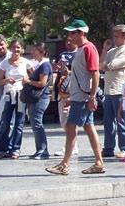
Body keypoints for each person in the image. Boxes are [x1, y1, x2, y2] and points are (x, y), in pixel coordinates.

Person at [46, 19, 104, 176]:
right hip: (80, 95)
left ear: (82, 33)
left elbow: (95, 72)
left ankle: (65, 164)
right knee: (88, 127)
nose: (70, 36)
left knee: (71, 127)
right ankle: (99, 162)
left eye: (73, 32)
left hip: (83, 97)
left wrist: (92, 95)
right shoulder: (80, 49)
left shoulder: (88, 48)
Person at [101, 25, 125, 160]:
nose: (114, 39)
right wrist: (104, 49)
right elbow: (101, 64)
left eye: (117, 36)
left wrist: (107, 65)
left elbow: (112, 65)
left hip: (120, 89)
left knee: (121, 119)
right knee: (108, 121)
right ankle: (108, 147)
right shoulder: (111, 51)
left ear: (124, 36)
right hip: (108, 90)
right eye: (114, 36)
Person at [0, 40, 28, 159]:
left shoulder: (26, 62)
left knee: (19, 123)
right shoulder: (4, 63)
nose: (16, 50)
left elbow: (32, 77)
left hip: (21, 94)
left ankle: (16, 148)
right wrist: (7, 80)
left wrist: (26, 80)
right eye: (14, 47)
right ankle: (2, 148)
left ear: (22, 49)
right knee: (5, 122)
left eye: (18, 47)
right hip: (9, 94)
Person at [22, 42, 52, 159]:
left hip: (41, 98)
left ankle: (43, 150)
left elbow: (42, 83)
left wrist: (28, 81)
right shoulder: (39, 65)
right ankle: (39, 149)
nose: (32, 53)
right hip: (36, 98)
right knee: (35, 123)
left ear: (42, 52)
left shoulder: (45, 65)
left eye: (35, 50)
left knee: (37, 122)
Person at [52, 28, 79, 141]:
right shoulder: (62, 54)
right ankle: (70, 144)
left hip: (72, 89)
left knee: (70, 119)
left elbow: (82, 72)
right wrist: (56, 68)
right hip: (61, 89)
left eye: (70, 41)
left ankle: (73, 146)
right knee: (63, 120)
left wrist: (69, 72)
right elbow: (56, 70)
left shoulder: (79, 54)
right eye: (66, 41)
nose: (68, 43)